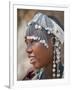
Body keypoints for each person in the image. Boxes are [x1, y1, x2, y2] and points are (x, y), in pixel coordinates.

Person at [24, 12, 64, 80]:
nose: (27, 50)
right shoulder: (31, 78)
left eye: (34, 41)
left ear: (53, 42)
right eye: (27, 43)